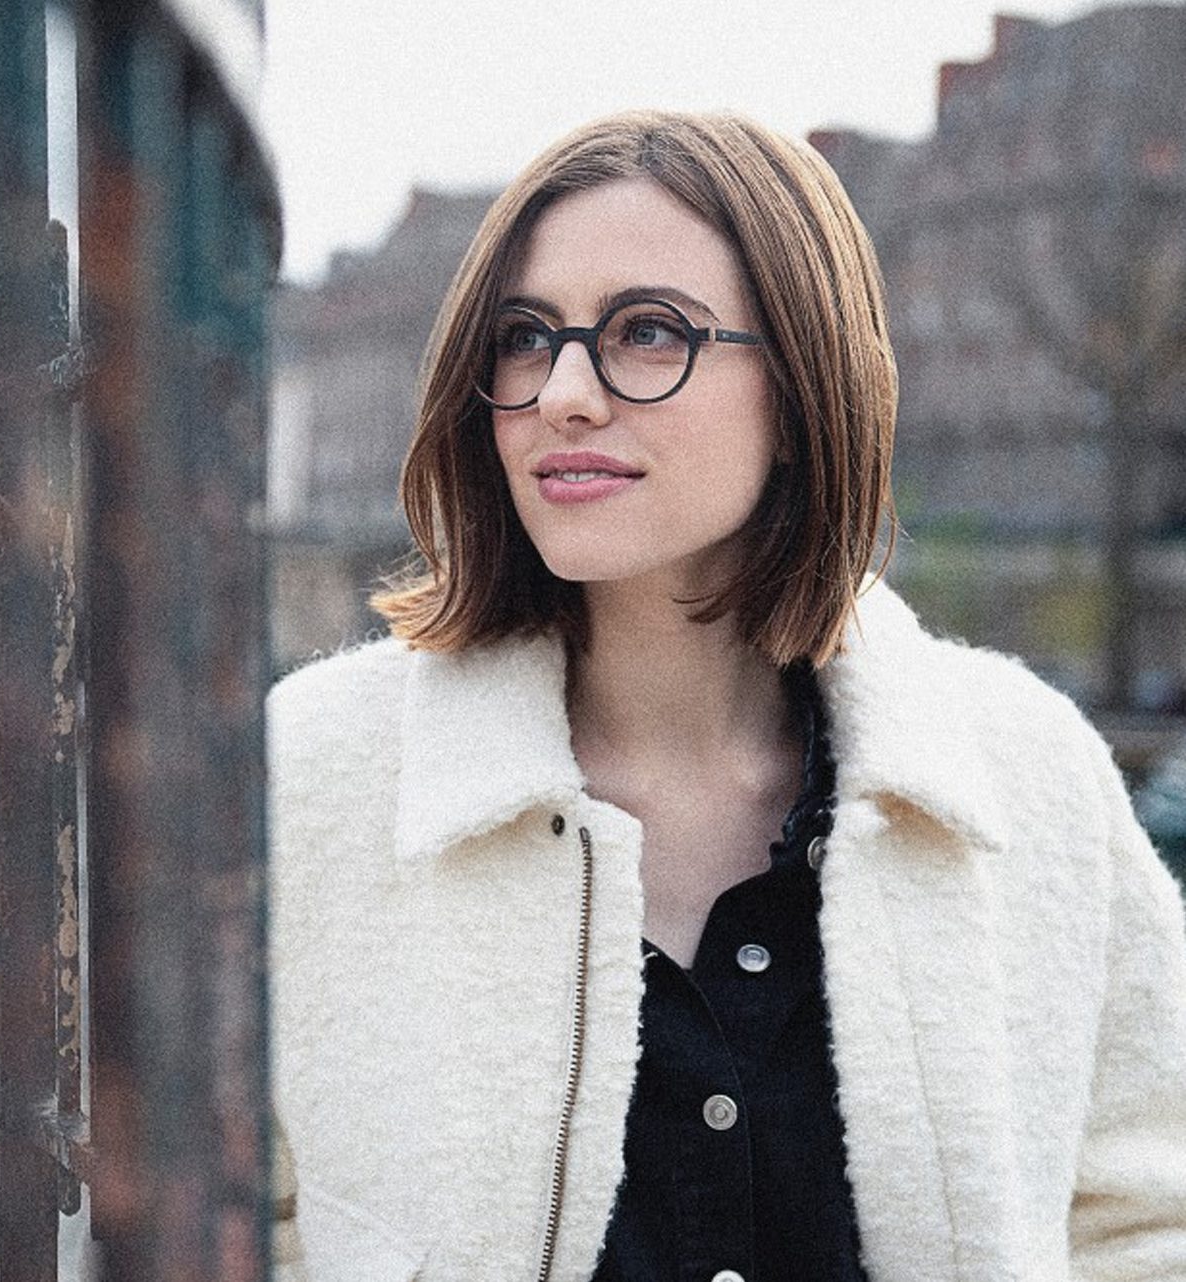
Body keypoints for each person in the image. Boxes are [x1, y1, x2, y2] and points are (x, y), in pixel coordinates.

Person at [265, 110, 1186, 1282]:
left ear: (802, 392)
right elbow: (224, 1228)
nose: (563, 391)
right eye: (522, 335)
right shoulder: (313, 777)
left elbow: (1143, 1224)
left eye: (648, 332)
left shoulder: (1024, 779)